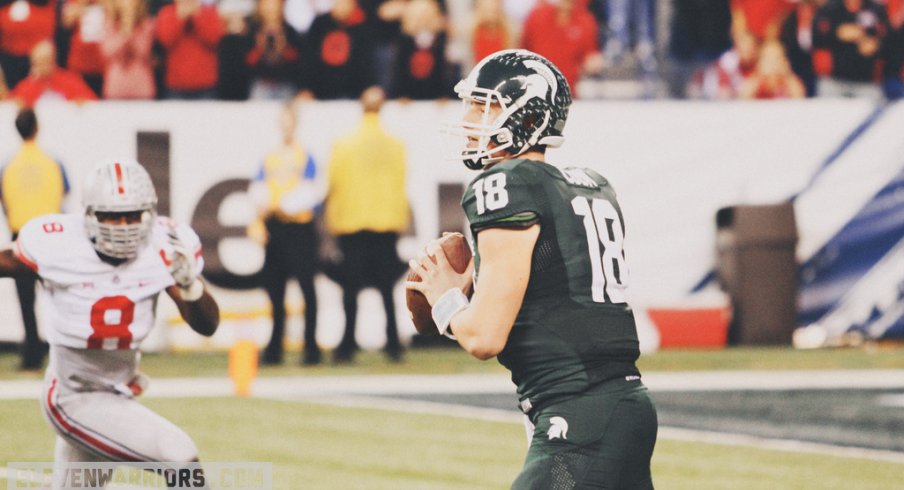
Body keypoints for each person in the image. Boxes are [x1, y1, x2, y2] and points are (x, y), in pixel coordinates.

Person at [407, 50, 657, 488]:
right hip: (616, 405)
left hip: (580, 416)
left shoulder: (507, 185)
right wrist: (468, 293)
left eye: (485, 106)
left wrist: (444, 297)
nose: (470, 118)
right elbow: (545, 289)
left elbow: (485, 337)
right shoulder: (588, 185)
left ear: (527, 116)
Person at [0, 158, 219, 466]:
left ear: (149, 214)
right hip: (71, 394)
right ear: (89, 215)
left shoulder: (163, 248)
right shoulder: (59, 244)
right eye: (112, 217)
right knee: (180, 459)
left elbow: (207, 326)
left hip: (113, 393)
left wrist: (190, 285)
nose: (123, 227)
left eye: (132, 216)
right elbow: (7, 261)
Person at [325, 86, 408, 363]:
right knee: (386, 289)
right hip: (385, 225)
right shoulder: (395, 145)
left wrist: (334, 220)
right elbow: (400, 185)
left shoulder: (345, 144)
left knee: (350, 290)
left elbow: (333, 183)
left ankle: (347, 345)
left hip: (354, 224)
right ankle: (393, 344)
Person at [248, 103, 322, 366]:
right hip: (276, 227)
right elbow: (258, 189)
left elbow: (310, 193)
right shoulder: (271, 157)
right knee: (275, 289)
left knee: (306, 288)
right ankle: (274, 348)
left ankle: (311, 347)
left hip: (299, 228)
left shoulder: (305, 156)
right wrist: (260, 218)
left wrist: (279, 205)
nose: (286, 126)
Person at [0, 107, 70, 370]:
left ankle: (32, 354)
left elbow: (4, 200)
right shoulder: (52, 162)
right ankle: (62, 352)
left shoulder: (9, 164)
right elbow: (64, 192)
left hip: (21, 236)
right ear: (37, 128)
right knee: (57, 297)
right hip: (51, 235)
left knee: (25, 300)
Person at [812, 0, 890, 99]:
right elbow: (816, 40)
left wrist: (876, 45)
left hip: (866, 82)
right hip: (834, 81)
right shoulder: (830, 9)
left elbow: (888, 41)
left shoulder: (876, 9)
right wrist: (836, 33)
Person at [155, 0, 224, 99]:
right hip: (175, 87)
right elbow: (165, 41)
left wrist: (197, 16)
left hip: (206, 87)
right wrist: (180, 18)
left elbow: (214, 39)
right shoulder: (167, 12)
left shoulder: (209, 12)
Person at [9, 40, 98, 106]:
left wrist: (81, 103)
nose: (42, 66)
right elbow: (14, 104)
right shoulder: (26, 86)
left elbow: (90, 101)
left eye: (46, 61)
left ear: (54, 60)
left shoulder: (70, 80)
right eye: (38, 62)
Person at [100, 0, 156, 99]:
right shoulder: (109, 24)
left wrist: (130, 27)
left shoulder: (146, 24)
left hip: (141, 87)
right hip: (116, 87)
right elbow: (107, 51)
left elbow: (143, 52)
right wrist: (124, 32)